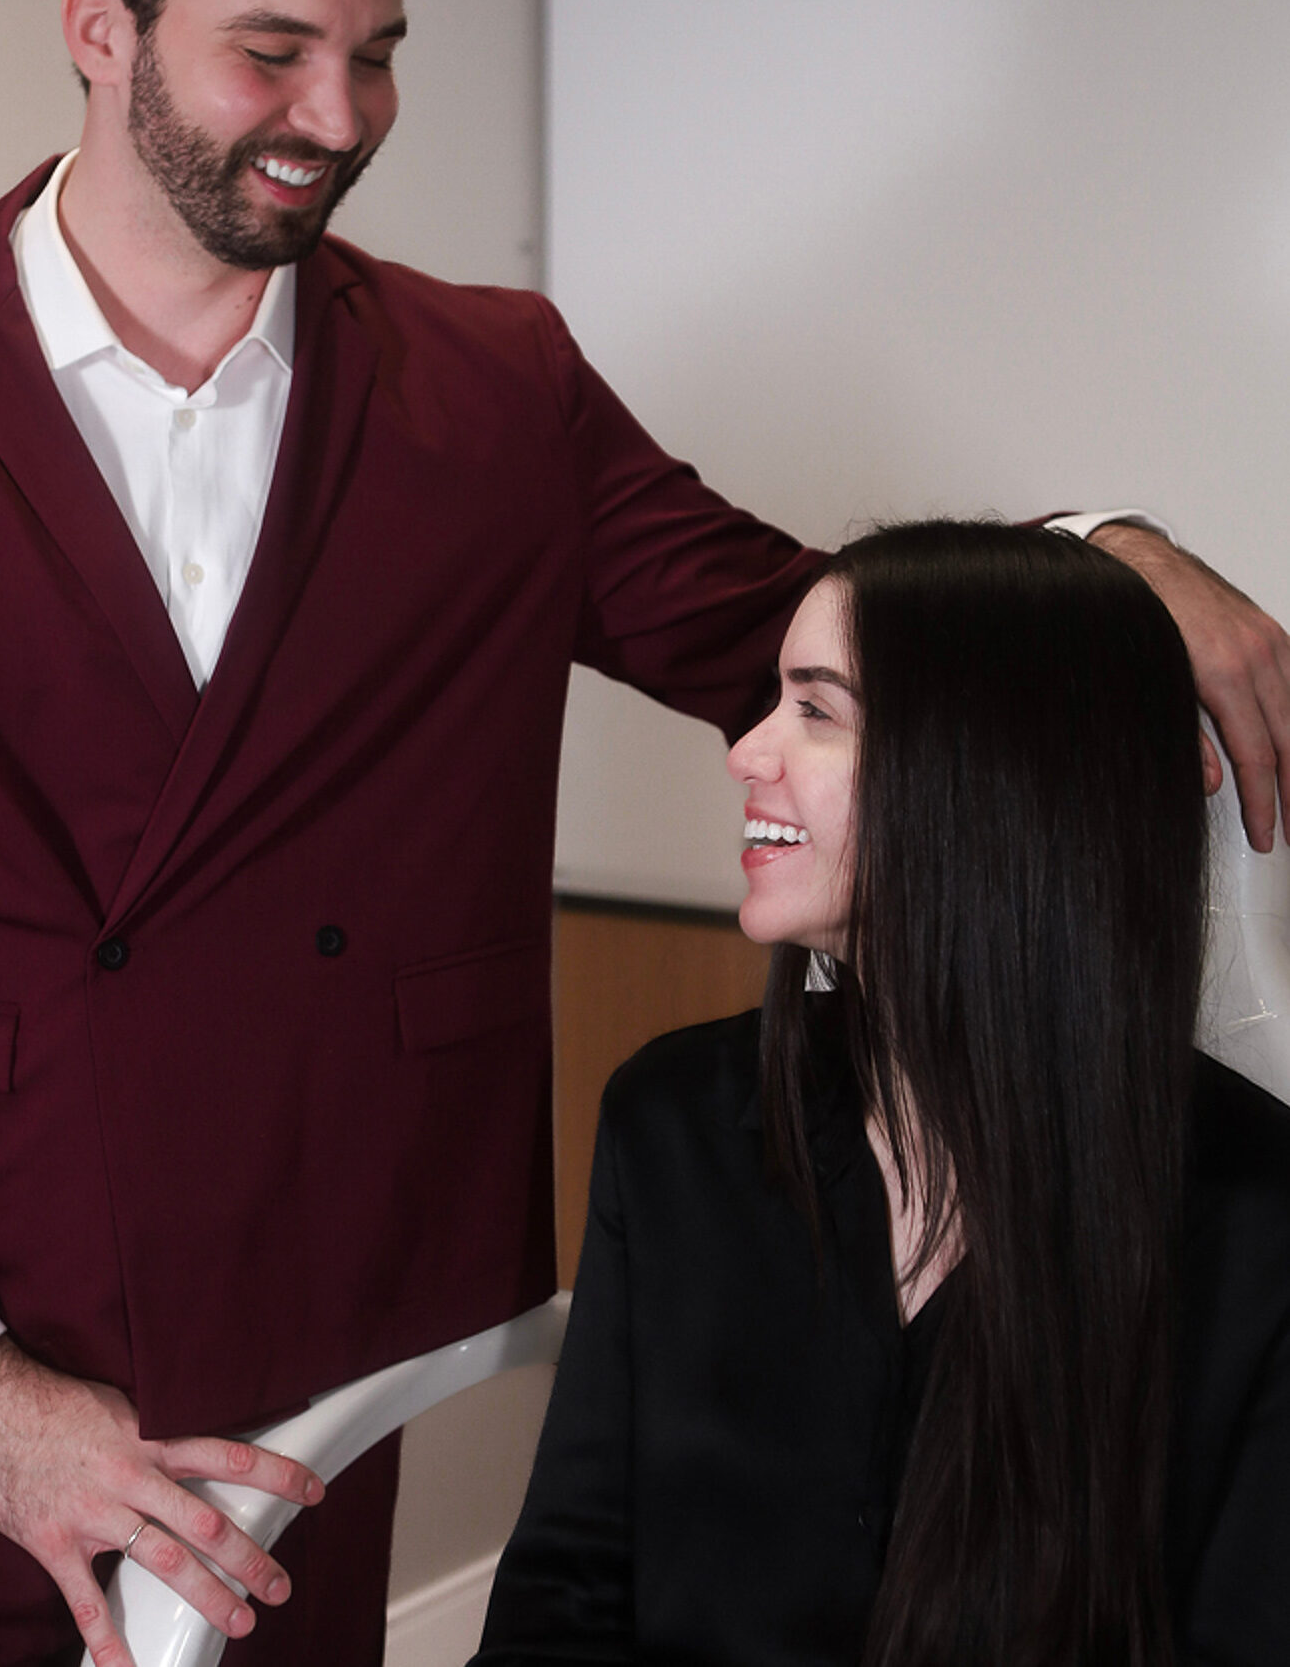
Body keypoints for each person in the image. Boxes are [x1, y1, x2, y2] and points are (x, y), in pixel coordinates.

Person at [0, 0, 1285, 1667]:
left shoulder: (495, 389)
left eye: (377, 54)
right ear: (99, 26)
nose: (339, 117)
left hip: (289, 1408)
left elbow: (794, 627)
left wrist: (1101, 546)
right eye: (272, 52)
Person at [474, 521, 1290, 1665]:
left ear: (990, 773)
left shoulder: (1256, 1222)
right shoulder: (672, 1123)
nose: (746, 750)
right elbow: (562, 1593)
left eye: (816, 709)